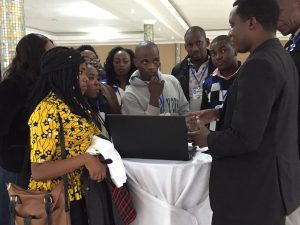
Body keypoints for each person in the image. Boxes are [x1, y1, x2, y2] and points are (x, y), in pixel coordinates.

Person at [188, 0, 300, 224]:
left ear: (251, 23)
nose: (230, 33)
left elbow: (246, 137)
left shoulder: (259, 64)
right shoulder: (281, 56)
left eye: (232, 25)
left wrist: (205, 138)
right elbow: (268, 113)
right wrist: (218, 113)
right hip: (270, 188)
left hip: (251, 195)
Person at [27, 47, 113, 225]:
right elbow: (38, 170)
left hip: (81, 193)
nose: (84, 78)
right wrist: (86, 159)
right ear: (63, 74)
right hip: (56, 200)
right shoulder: (47, 109)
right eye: (79, 72)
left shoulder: (73, 103)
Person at [0, 33, 54, 225]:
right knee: (13, 215)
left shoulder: (44, 85)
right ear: (35, 57)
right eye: (48, 54)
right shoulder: (11, 88)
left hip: (37, 164)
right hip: (15, 165)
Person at [122, 41, 189, 115]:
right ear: (135, 62)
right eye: (145, 62)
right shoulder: (130, 95)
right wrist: (154, 97)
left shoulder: (172, 81)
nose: (151, 66)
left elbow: (184, 111)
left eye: (155, 61)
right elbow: (141, 125)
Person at [201, 35, 241, 131]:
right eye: (213, 54)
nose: (218, 57)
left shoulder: (247, 77)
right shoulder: (208, 82)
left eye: (223, 51)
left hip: (240, 138)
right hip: (214, 139)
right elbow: (204, 112)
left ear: (235, 50)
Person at [171, 26, 215, 111]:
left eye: (198, 43)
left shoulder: (218, 67)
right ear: (185, 47)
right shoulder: (177, 70)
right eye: (190, 45)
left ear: (207, 42)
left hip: (212, 122)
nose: (195, 49)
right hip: (185, 121)